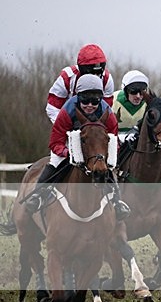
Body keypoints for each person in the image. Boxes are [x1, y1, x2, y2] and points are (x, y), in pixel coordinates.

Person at [26, 75, 129, 219]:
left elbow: (113, 140)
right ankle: (37, 195)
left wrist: (105, 155)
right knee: (55, 162)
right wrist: (67, 152)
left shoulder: (108, 114)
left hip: (95, 148)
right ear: (78, 97)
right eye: (85, 100)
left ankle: (117, 202)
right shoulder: (67, 111)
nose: (90, 105)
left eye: (95, 101)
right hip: (67, 144)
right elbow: (56, 142)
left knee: (107, 167)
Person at [46, 44, 115, 124]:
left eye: (98, 72)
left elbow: (106, 110)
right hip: (68, 118)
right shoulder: (67, 77)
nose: (95, 77)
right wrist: (65, 127)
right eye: (92, 73)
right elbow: (52, 107)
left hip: (95, 122)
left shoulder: (107, 79)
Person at [112, 70, 149, 141]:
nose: (138, 96)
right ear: (125, 91)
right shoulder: (113, 100)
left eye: (142, 92)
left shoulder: (148, 105)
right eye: (133, 91)